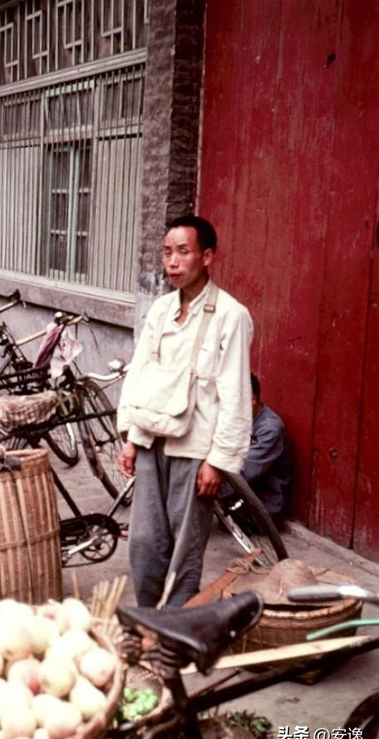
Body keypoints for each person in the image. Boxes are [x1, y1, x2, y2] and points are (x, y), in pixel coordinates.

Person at [117, 215, 253, 607]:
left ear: (207, 256)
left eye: (183, 252)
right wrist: (130, 436)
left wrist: (218, 461)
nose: (172, 262)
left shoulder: (231, 315)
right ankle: (149, 617)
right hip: (150, 438)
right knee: (144, 541)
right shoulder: (160, 309)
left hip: (195, 449)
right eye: (167, 252)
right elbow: (140, 373)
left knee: (184, 546)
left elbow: (235, 395)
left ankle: (175, 627)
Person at [234, 373, 292, 527]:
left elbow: (247, 471)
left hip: (264, 508)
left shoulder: (270, 429)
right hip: (243, 497)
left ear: (252, 400)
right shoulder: (242, 421)